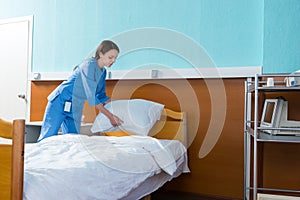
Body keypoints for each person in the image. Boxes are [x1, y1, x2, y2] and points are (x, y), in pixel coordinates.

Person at [38, 40, 123, 142]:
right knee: (48, 138)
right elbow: (91, 96)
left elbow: (101, 96)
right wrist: (110, 116)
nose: (113, 61)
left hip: (75, 106)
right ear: (101, 54)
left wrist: (118, 106)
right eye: (110, 57)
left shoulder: (103, 72)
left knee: (73, 141)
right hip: (60, 101)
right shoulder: (88, 66)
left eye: (115, 58)